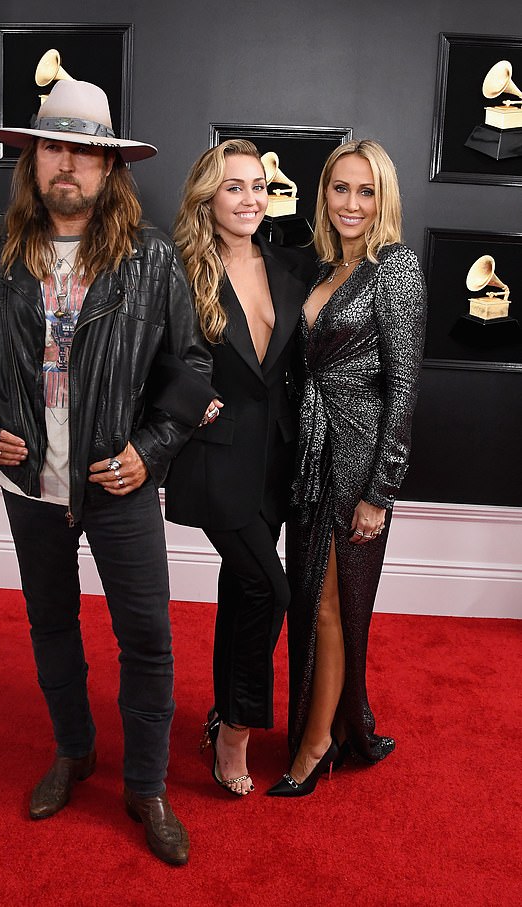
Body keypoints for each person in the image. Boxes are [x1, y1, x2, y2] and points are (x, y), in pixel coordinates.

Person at [0, 78, 214, 864]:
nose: (69, 165)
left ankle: (147, 782)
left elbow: (191, 371)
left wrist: (149, 451)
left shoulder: (151, 256)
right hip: (30, 486)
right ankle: (74, 750)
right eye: (55, 147)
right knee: (51, 626)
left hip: (116, 482)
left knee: (148, 639)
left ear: (109, 168)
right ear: (32, 160)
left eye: (86, 152)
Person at [266, 139, 426, 797]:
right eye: (341, 189)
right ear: (324, 193)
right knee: (310, 600)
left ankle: (316, 742)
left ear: (382, 198)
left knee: (332, 604)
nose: (352, 203)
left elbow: (406, 385)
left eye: (366, 191)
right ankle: (337, 721)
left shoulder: (396, 268)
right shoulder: (323, 267)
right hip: (311, 452)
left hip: (358, 455)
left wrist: (380, 491)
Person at [165, 140, 313, 795]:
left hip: (275, 461)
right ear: (207, 195)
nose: (251, 198)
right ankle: (235, 731)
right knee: (271, 590)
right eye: (234, 186)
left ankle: (224, 707)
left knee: (242, 592)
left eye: (259, 185)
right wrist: (191, 401)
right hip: (215, 457)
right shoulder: (177, 267)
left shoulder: (287, 265)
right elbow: (150, 354)